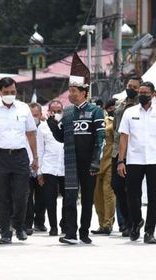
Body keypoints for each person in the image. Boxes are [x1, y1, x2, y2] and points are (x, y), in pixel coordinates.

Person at [47, 53, 105, 245]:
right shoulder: (69, 112)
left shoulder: (96, 111)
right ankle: (70, 233)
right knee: (69, 198)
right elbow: (60, 137)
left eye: (73, 91)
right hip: (71, 162)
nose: (69, 94)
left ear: (83, 92)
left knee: (87, 199)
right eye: (69, 90)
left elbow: (101, 138)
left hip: (89, 162)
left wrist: (96, 161)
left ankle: (84, 231)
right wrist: (52, 123)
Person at [0, 77, 38, 245]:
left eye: (13, 92)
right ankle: (5, 231)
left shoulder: (24, 108)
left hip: (20, 157)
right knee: (0, 196)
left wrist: (35, 157)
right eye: (6, 93)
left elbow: (31, 133)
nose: (10, 95)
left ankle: (19, 226)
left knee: (21, 195)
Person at [117, 81, 156, 244]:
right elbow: (124, 137)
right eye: (140, 91)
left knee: (154, 197)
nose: (141, 94)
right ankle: (136, 222)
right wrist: (121, 160)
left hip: (155, 160)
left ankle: (150, 231)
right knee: (132, 195)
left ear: (153, 94)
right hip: (134, 159)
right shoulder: (130, 112)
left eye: (145, 92)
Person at [112, 76, 140, 236]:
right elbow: (116, 126)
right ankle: (128, 220)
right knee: (117, 186)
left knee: (132, 190)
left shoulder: (140, 106)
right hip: (117, 150)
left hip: (134, 152)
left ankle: (133, 221)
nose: (131, 89)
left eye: (135, 87)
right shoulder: (119, 104)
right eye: (129, 86)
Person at [36, 100, 66, 236]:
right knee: (50, 199)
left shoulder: (67, 125)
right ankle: (53, 227)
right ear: (48, 112)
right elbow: (40, 151)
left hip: (66, 167)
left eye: (58, 111)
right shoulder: (42, 127)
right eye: (53, 111)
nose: (55, 114)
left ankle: (65, 224)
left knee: (68, 198)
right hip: (49, 167)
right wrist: (39, 172)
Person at [91, 99, 116, 235]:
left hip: (109, 162)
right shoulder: (92, 122)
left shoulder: (112, 122)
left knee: (108, 193)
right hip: (95, 163)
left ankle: (108, 223)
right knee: (97, 195)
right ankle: (101, 223)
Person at [25, 102, 46, 233]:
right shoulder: (22, 128)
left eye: (36, 115)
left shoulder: (45, 128)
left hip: (42, 167)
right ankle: (27, 224)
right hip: (26, 166)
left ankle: (39, 222)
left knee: (42, 196)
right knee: (26, 197)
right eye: (31, 115)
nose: (34, 118)